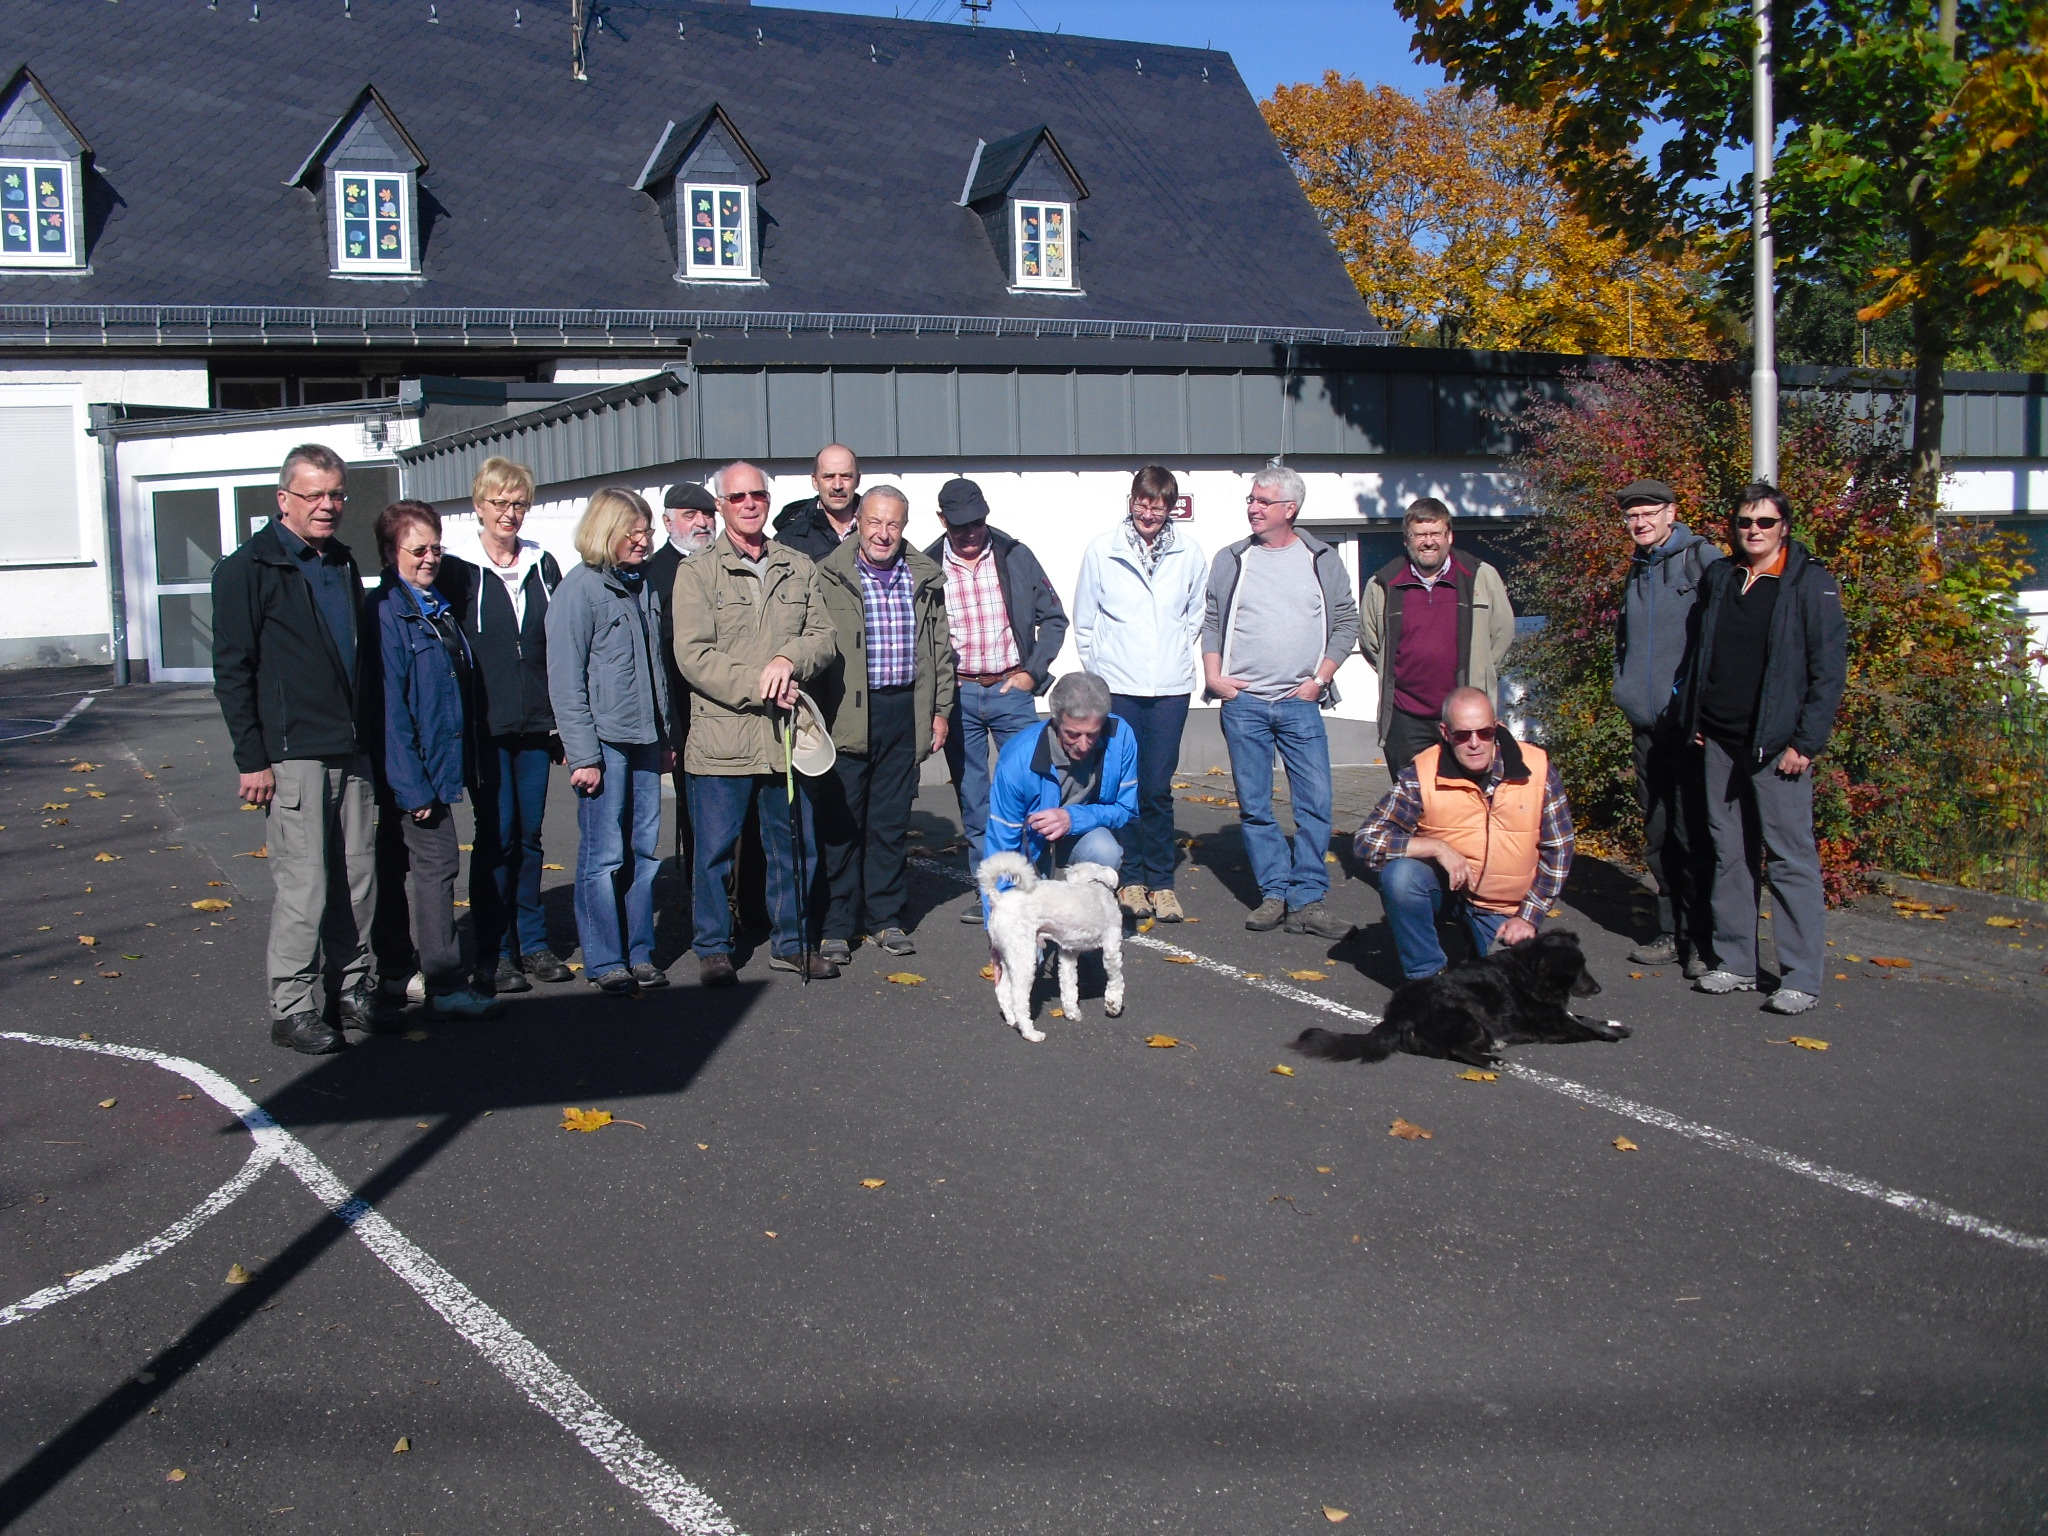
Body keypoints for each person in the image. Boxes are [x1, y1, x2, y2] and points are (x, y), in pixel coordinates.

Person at [212, 443, 378, 1055]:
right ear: (284, 499)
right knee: (306, 886)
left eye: (336, 494)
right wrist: (251, 757)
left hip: (350, 749)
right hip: (293, 754)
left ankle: (353, 988)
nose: (328, 505)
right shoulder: (247, 569)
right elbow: (233, 669)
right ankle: (292, 1005)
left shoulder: (339, 561)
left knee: (357, 882)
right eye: (314, 495)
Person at [1680, 483, 1846, 1016]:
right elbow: (1700, 652)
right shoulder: (1721, 577)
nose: (1753, 530)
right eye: (1745, 522)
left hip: (1777, 748)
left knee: (1790, 860)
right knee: (1731, 855)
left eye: (1765, 523)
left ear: (1784, 528)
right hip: (1720, 741)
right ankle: (1735, 963)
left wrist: (1806, 741)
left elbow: (1828, 672)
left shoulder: (1809, 584)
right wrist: (1697, 717)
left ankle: (1800, 977)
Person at [673, 460, 841, 985]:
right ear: (720, 505)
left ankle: (792, 942)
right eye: (737, 496)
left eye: (758, 496)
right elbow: (693, 655)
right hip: (722, 736)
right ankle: (713, 947)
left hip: (785, 736)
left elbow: (823, 635)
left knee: (794, 845)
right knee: (715, 852)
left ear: (768, 501)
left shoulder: (798, 565)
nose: (749, 504)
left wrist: (789, 661)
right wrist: (759, 682)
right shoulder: (696, 572)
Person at [1202, 463, 1360, 941]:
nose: (1252, 507)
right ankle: (1275, 891)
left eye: (1262, 501)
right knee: (1254, 805)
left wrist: (1319, 680)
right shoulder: (1232, 559)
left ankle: (1307, 898)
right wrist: (1214, 677)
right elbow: (1212, 621)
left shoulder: (1321, 558)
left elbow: (1346, 623)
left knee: (1316, 804)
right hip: (1244, 706)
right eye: (1250, 500)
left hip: (1300, 704)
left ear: (1289, 509)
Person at [362, 500, 504, 1021]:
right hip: (413, 771)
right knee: (436, 864)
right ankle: (443, 983)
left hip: (437, 763)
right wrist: (412, 786)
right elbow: (389, 708)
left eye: (435, 548)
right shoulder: (387, 611)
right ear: (389, 552)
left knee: (402, 867)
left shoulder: (434, 605)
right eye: (417, 549)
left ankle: (399, 974)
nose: (429, 557)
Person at [436, 456, 572, 996]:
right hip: (484, 725)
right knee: (495, 836)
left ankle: (532, 942)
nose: (509, 513)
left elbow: (559, 647)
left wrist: (562, 721)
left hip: (536, 723)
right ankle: (493, 951)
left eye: (518, 503)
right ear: (478, 506)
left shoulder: (544, 564)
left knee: (531, 837)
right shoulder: (456, 568)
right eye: (499, 503)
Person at [812, 485, 956, 964]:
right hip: (847, 712)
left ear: (904, 527)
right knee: (842, 823)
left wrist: (938, 711)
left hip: (902, 711)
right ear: (858, 521)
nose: (883, 533)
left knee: (890, 823)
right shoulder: (828, 575)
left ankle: (886, 918)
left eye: (893, 523)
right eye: (874, 521)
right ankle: (837, 924)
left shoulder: (923, 577)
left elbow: (939, 652)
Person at [545, 488, 676, 997]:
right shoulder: (578, 592)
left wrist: (665, 737)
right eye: (635, 532)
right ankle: (605, 959)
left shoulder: (643, 588)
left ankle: (639, 952)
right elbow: (566, 682)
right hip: (604, 745)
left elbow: (656, 673)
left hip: (645, 740)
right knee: (603, 856)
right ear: (607, 532)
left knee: (645, 852)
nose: (645, 541)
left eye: (648, 531)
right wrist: (584, 756)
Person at [1354, 686, 1575, 980]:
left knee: (1512, 999)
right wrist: (1435, 847)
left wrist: (1528, 917)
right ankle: (1427, 978)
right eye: (1462, 735)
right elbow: (1366, 840)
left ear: (1497, 728)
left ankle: (1482, 943)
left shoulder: (1538, 770)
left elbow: (1558, 850)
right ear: (1446, 732)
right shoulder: (1421, 773)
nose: (1474, 743)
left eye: (1484, 733)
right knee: (1401, 877)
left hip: (1506, 906)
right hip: (1448, 892)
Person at [922, 476, 1069, 920]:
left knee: (1030, 789)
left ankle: (1032, 887)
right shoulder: (926, 565)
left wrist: (1031, 673)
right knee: (974, 796)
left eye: (978, 523)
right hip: (958, 694)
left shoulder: (1014, 555)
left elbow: (1055, 618)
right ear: (942, 520)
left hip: (1011, 690)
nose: (970, 534)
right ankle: (990, 891)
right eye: (960, 526)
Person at [1072, 464, 1207, 924]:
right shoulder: (1101, 551)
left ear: (1171, 508)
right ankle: (1129, 879)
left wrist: (1168, 652)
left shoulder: (1189, 553)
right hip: (1120, 688)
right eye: (1143, 503)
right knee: (1119, 786)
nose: (1150, 512)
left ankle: (1162, 883)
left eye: (1159, 505)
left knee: (1157, 787)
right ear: (1131, 502)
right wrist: (1104, 673)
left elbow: (1194, 615)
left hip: (1169, 688)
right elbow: (1086, 622)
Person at [1610, 477, 1721, 975]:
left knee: (1692, 831)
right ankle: (1670, 931)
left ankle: (1703, 938)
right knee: (1658, 832)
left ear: (1672, 513)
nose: (1641, 522)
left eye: (1650, 512)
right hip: (1647, 726)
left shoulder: (1704, 561)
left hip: (1688, 727)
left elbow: (1721, 641)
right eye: (1632, 515)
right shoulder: (1638, 568)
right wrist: (1625, 689)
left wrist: (1700, 708)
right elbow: (1625, 642)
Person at [1359, 497, 1518, 776]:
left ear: (1449, 536)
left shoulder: (1480, 576)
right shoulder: (1383, 583)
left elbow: (1502, 633)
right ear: (1406, 540)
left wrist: (1479, 671)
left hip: (1466, 720)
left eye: (1436, 533)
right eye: (1419, 534)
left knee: (1469, 798)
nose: (1428, 541)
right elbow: (1372, 643)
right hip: (1406, 720)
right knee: (1413, 803)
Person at [983, 670, 1137, 884]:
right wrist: (1002, 907)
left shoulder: (1121, 737)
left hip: (1081, 831)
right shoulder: (1017, 760)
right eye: (1073, 734)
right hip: (1029, 841)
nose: (1083, 745)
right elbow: (1002, 843)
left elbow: (1126, 808)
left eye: (1092, 734)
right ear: (1055, 721)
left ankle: (1088, 913)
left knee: (1105, 852)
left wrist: (1071, 818)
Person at [645, 480, 720, 887]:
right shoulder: (653, 573)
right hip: (681, 713)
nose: (701, 523)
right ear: (668, 521)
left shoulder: (724, 564)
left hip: (728, 707)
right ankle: (698, 894)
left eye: (707, 514)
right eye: (690, 516)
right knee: (696, 812)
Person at [773, 443, 862, 562]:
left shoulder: (880, 531)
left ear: (858, 480)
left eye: (846, 476)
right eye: (829, 477)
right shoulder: (789, 541)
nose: (837, 486)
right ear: (815, 481)